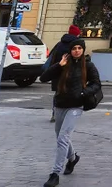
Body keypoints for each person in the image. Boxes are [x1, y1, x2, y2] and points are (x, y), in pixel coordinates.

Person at [39, 37, 101, 187]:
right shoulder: (63, 64)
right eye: (74, 48)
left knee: (62, 138)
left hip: (76, 106)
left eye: (80, 48)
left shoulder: (89, 65)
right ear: (70, 51)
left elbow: (96, 84)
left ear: (83, 50)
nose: (77, 51)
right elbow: (43, 78)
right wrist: (59, 66)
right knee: (60, 136)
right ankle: (73, 158)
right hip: (60, 104)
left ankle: (55, 174)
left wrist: (83, 93)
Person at [46, 25, 83, 123]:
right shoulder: (77, 45)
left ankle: (55, 114)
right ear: (76, 34)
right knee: (70, 92)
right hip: (70, 73)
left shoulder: (60, 44)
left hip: (57, 71)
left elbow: (52, 57)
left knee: (58, 93)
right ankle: (67, 113)